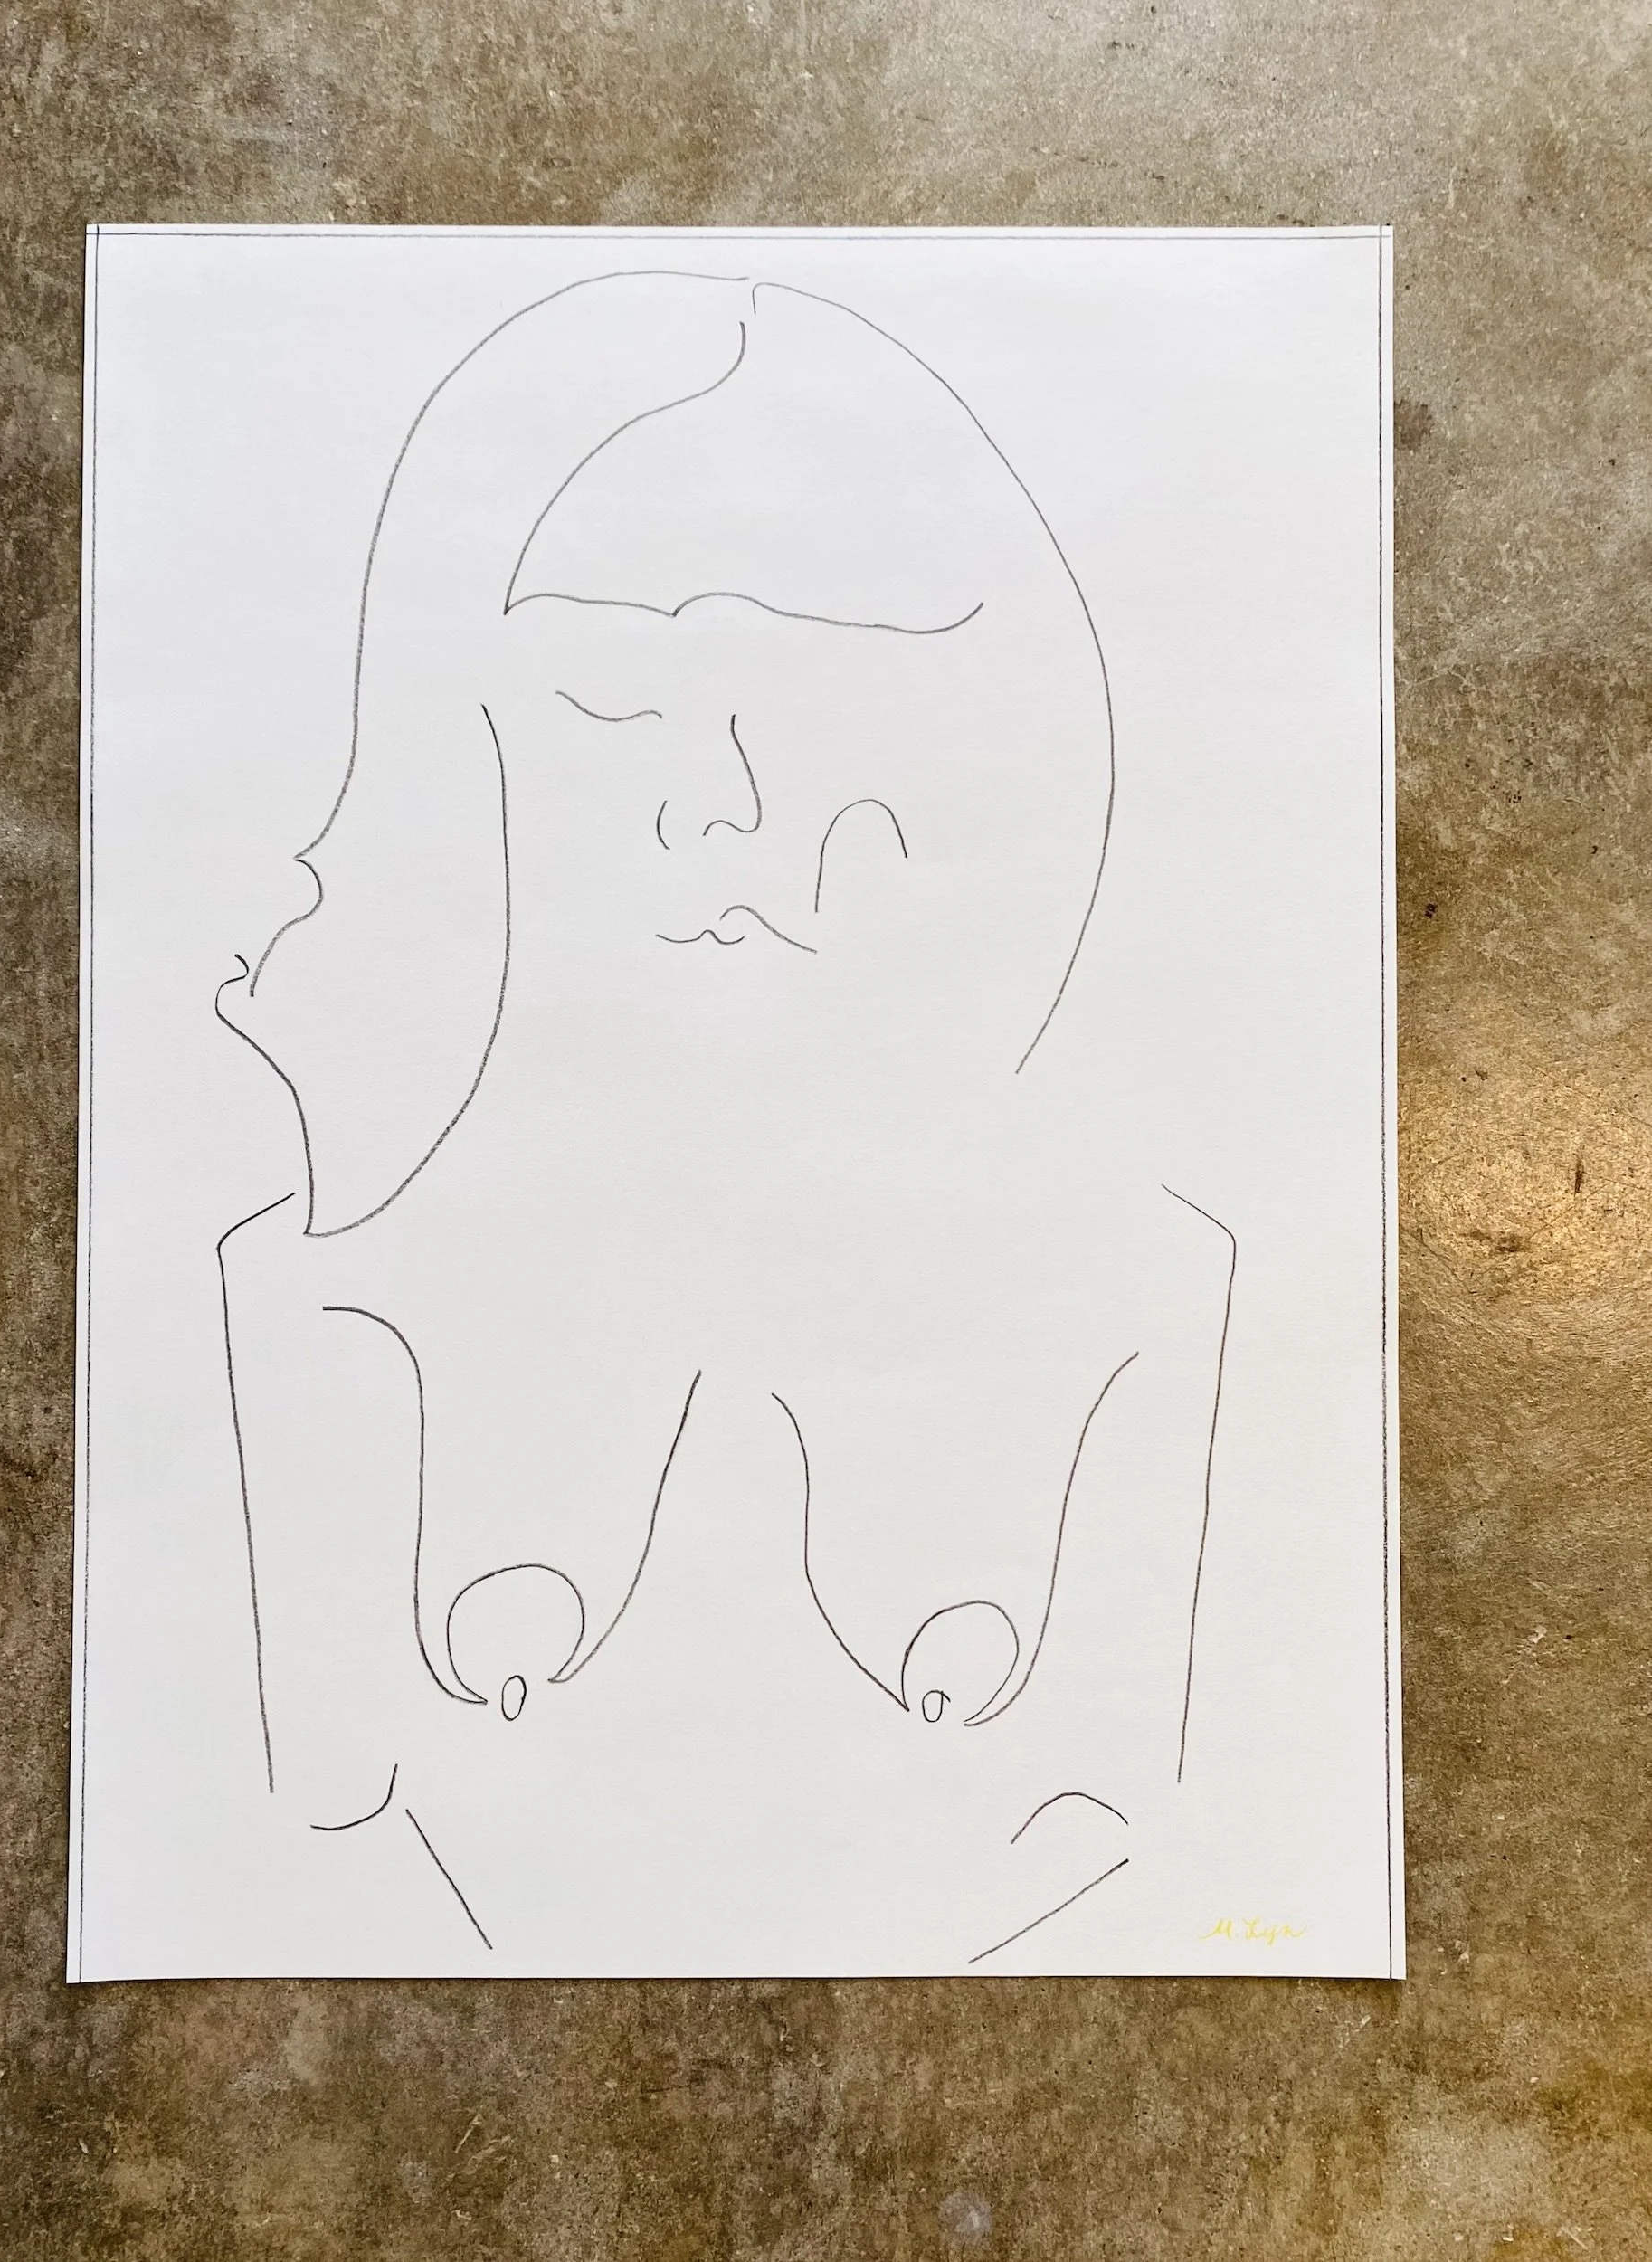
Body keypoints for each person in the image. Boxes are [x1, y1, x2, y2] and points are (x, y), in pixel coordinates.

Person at [215, 271, 1233, 1967]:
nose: (730, 807)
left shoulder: (1141, 1291)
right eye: (617, 705)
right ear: (459, 742)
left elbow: (1172, 1841)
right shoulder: (329, 1304)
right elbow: (286, 1850)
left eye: (829, 709)